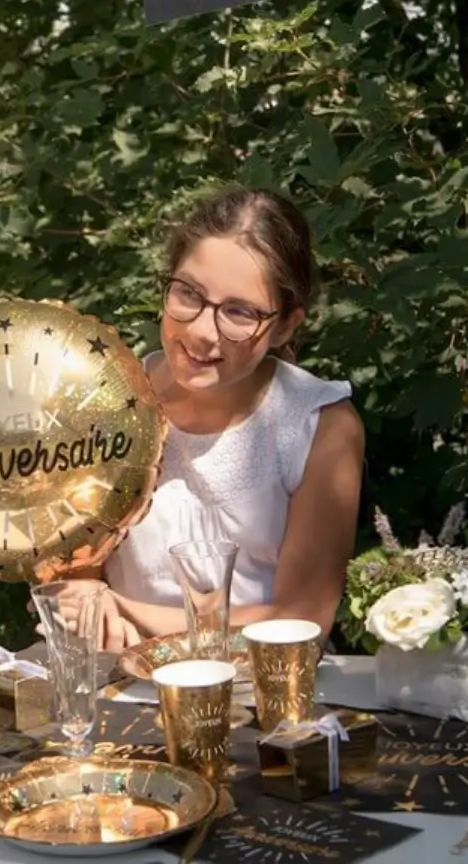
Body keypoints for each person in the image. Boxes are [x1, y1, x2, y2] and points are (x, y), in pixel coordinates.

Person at [95, 187, 365, 651]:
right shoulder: (107, 400)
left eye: (239, 312)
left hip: (264, 693)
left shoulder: (321, 427)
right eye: (188, 294)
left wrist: (120, 609)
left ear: (284, 325)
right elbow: (65, 558)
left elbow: (301, 619)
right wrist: (75, 586)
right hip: (118, 687)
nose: (200, 332)